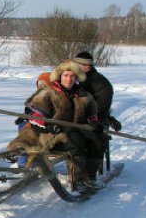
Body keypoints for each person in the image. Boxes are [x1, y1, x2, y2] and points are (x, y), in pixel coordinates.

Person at [9, 59, 104, 192]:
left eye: (72, 76)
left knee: (98, 141)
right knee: (76, 143)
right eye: (66, 75)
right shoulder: (48, 93)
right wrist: (48, 125)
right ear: (60, 76)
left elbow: (92, 114)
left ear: (76, 77)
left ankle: (90, 176)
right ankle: (78, 181)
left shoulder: (83, 95)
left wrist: (94, 123)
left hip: (75, 131)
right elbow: (35, 117)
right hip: (51, 135)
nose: (69, 79)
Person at [73, 51, 121, 131]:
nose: (74, 67)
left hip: (95, 125)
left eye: (77, 65)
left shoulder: (102, 84)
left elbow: (101, 109)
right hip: (77, 123)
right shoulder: (76, 79)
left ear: (87, 66)